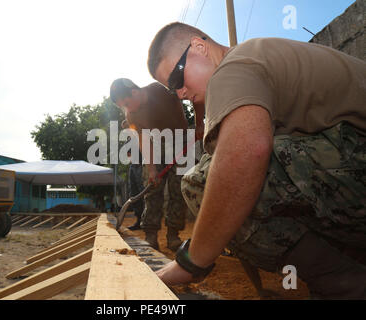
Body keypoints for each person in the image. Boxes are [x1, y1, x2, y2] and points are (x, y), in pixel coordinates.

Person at [147, 22, 366, 299]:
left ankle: (345, 283)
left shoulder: (232, 68)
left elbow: (244, 155)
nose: (179, 93)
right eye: (171, 89)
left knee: (201, 181)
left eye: (177, 80)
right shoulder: (256, 57)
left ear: (199, 47)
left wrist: (191, 261)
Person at [110, 78, 194, 251]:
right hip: (155, 145)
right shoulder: (131, 115)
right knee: (152, 190)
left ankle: (173, 237)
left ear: (134, 92)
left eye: (126, 103)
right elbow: (144, 140)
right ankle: (150, 236)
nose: (127, 109)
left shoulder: (159, 90)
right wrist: (152, 169)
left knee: (178, 191)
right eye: (122, 107)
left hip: (181, 141)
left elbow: (185, 100)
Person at [126, 146, 145, 230]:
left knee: (143, 193)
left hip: (142, 164)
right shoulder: (129, 136)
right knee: (134, 193)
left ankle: (146, 222)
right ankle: (139, 220)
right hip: (133, 165)